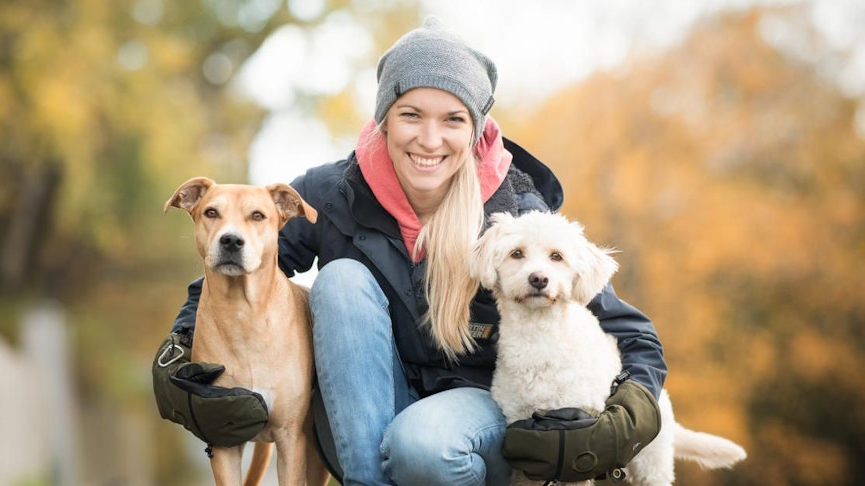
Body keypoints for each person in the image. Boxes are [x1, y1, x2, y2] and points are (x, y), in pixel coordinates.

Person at [153, 17, 666, 486]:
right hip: (362, 420)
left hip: (484, 414)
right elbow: (236, 266)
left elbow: (626, 331)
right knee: (339, 281)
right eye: (411, 114)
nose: (429, 139)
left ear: (477, 127)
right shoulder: (330, 195)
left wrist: (626, 419)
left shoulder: (516, 214)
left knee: (422, 444)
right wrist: (179, 362)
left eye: (452, 120)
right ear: (383, 119)